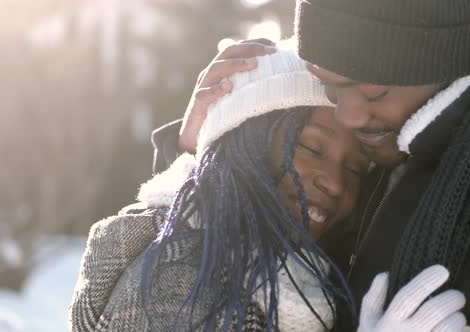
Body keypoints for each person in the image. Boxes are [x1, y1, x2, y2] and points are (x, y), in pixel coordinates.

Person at [70, 50, 466, 331]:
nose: (336, 181)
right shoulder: (175, 283)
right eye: (311, 147)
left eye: (356, 171)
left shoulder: (290, 276)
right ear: (247, 148)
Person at [156, 0, 470, 330]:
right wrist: (200, 152)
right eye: (329, 86)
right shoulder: (383, 154)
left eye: (374, 93)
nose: (347, 117)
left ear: (440, 63)